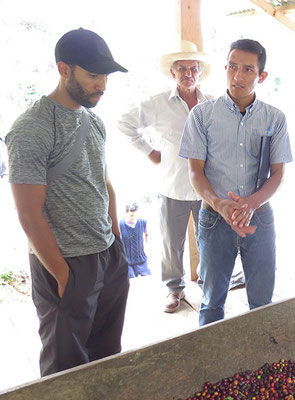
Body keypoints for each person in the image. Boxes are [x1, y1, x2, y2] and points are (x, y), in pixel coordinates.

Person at [6, 28, 129, 376]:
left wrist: (116, 244)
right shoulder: (32, 128)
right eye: (93, 75)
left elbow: (105, 185)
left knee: (107, 356)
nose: (102, 84)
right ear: (64, 69)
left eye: (105, 75)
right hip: (67, 261)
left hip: (107, 254)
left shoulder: (94, 122)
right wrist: (62, 275)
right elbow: (28, 212)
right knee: (65, 368)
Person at [180, 39, 293, 326]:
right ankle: (211, 365)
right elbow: (195, 172)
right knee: (211, 301)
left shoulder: (275, 118)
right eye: (232, 67)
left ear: (261, 76)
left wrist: (252, 203)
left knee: (262, 301)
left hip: (260, 215)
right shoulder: (202, 115)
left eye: (247, 70)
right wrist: (219, 204)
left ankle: (262, 365)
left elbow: (278, 173)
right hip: (215, 217)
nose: (238, 76)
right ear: (225, 68)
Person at [118, 41, 216, 313]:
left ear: (200, 72)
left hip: (207, 188)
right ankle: (174, 290)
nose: (188, 73)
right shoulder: (158, 104)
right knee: (171, 244)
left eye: (193, 68)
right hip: (172, 186)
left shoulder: (212, 103)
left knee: (209, 239)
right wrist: (150, 152)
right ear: (173, 73)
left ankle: (209, 285)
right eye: (182, 68)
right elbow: (125, 124)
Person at [119, 203, 151, 278]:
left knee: (149, 279)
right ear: (126, 213)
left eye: (136, 215)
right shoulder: (120, 224)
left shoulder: (142, 222)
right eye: (131, 215)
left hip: (141, 260)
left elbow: (147, 237)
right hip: (127, 262)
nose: (134, 217)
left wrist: (149, 253)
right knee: (131, 282)